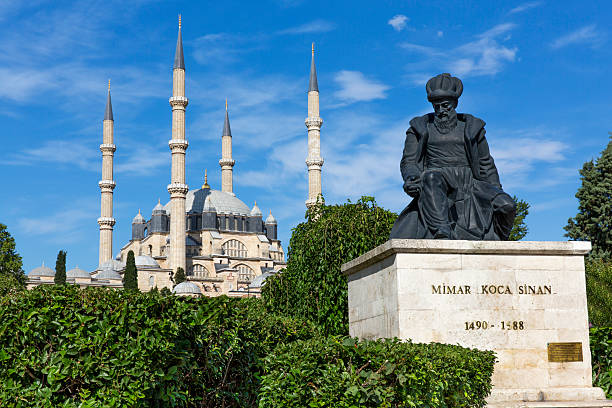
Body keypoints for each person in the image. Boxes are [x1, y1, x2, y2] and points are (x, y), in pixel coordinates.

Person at [390, 73, 516, 240]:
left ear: (455, 104)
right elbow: (409, 161)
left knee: (507, 205)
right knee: (431, 176)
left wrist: (495, 189)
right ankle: (442, 231)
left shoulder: (472, 128)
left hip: (470, 182)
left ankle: (499, 241)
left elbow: (485, 163)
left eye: (445, 106)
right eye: (437, 107)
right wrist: (411, 177)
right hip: (436, 180)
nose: (441, 111)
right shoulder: (419, 127)